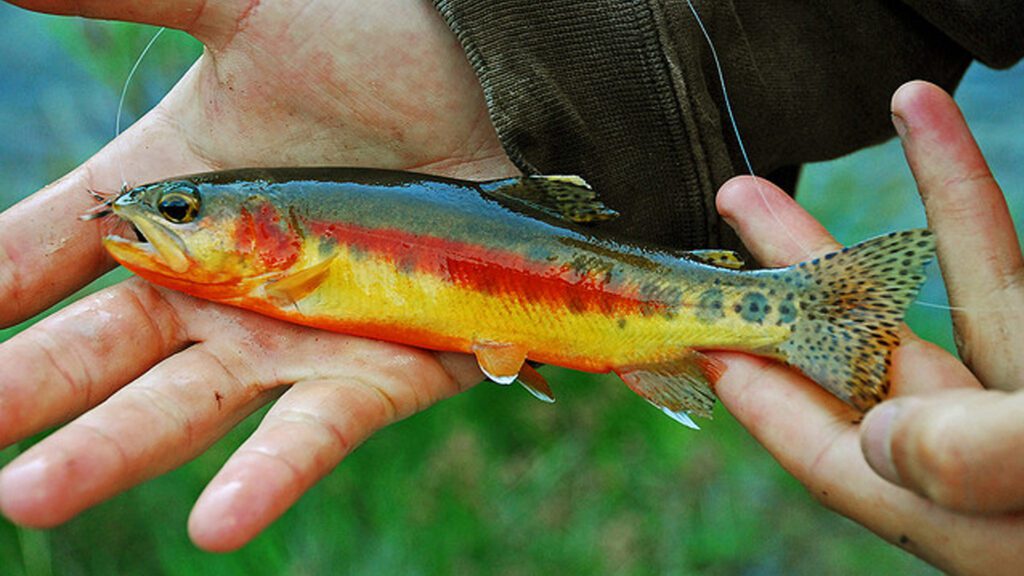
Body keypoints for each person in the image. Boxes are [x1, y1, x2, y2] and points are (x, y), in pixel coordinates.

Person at [0, 0, 1020, 571]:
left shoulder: (302, 262)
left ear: (277, 233)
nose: (154, 224)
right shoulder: (280, 267)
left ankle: (795, 312)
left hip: (618, 292)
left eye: (182, 213)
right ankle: (793, 312)